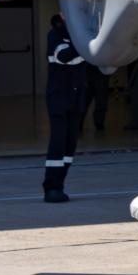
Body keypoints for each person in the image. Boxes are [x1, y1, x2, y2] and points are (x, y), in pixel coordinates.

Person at [43, 12, 87, 203]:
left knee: (70, 144)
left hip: (76, 98)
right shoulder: (55, 35)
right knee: (58, 142)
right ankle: (51, 187)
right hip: (59, 98)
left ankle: (60, 184)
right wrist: (85, 43)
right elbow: (63, 56)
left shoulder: (80, 36)